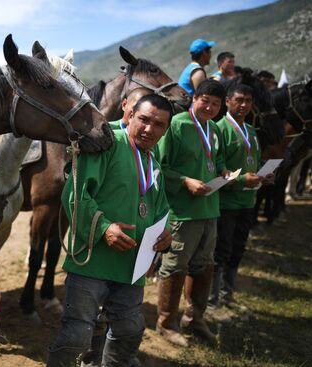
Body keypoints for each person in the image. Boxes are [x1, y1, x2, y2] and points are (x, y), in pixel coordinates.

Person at [47, 94, 173, 367]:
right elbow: (75, 195)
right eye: (144, 120)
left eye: (159, 125)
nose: (150, 129)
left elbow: (161, 207)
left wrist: (166, 232)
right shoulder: (108, 145)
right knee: (77, 335)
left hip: (132, 265)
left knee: (130, 330)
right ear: (130, 116)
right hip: (93, 261)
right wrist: (104, 228)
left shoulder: (153, 162)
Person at [155, 80, 227, 346]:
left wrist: (223, 172)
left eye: (216, 104)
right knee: (174, 267)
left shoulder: (214, 129)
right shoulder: (176, 125)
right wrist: (185, 181)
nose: (209, 107)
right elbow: (159, 166)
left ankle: (194, 318)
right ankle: (166, 323)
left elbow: (216, 160)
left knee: (204, 266)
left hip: (209, 208)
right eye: (205, 100)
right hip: (182, 212)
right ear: (194, 98)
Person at [208, 84, 274, 318]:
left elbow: (252, 163)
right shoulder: (218, 129)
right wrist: (241, 179)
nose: (244, 105)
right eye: (239, 100)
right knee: (221, 250)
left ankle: (227, 293)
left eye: (248, 100)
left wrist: (262, 175)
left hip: (248, 201)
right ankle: (211, 300)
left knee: (237, 248)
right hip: (226, 203)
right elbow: (217, 167)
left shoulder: (251, 131)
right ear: (227, 101)